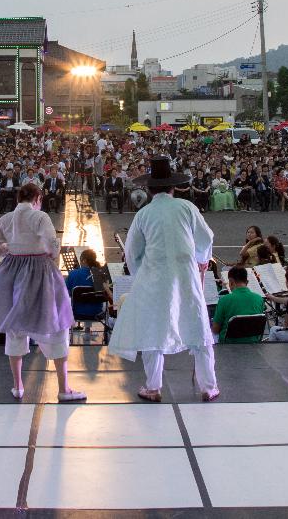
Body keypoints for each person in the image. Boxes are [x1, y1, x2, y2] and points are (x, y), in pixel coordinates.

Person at [109, 156, 219, 403]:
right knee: (197, 323)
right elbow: (205, 238)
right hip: (186, 274)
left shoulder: (144, 214)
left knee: (153, 329)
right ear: (173, 187)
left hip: (155, 278)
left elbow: (132, 253)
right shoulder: (187, 208)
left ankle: (153, 386)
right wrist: (201, 262)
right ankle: (208, 386)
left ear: (149, 188)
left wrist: (142, 274)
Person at [0, 182, 85, 402]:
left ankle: (18, 386)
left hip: (13, 272)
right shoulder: (39, 217)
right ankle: (64, 388)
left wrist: (7, 248)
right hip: (40, 272)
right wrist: (51, 253)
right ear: (37, 198)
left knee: (15, 327)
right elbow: (52, 241)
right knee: (56, 324)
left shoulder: (6, 219)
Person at [211, 266, 265, 343]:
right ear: (247, 282)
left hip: (229, 344)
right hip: (254, 343)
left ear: (231, 282)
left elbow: (215, 330)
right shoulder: (259, 298)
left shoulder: (224, 300)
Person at [66, 249, 106, 322]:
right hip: (97, 313)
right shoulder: (100, 274)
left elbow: (66, 292)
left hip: (78, 313)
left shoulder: (73, 273)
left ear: (84, 260)